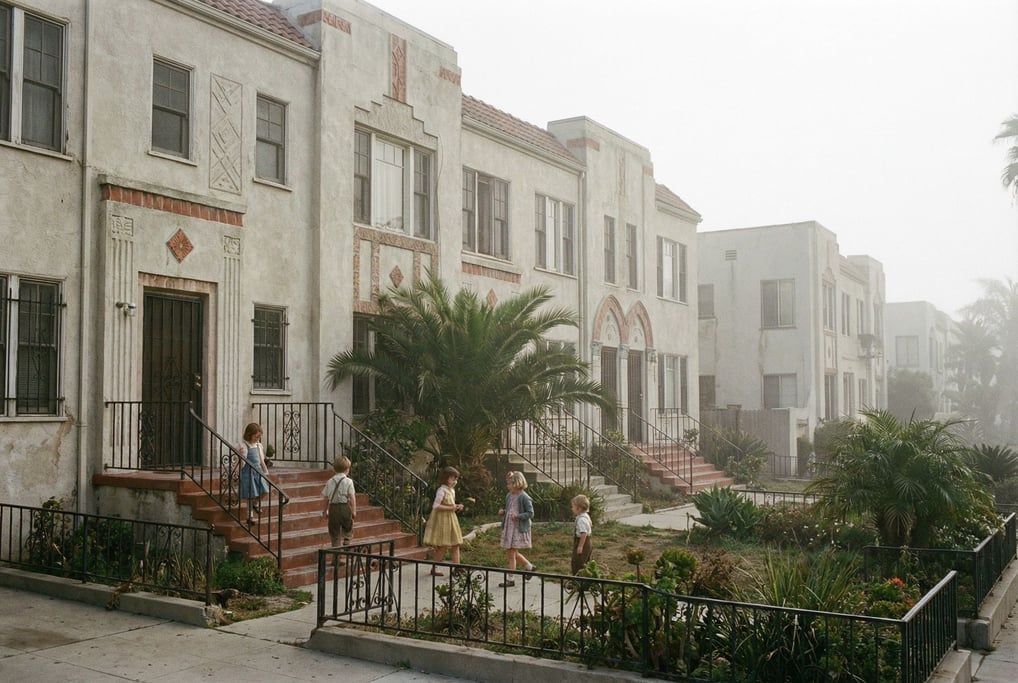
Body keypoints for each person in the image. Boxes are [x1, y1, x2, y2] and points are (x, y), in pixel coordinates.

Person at [422, 466, 464, 576]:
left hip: (451, 519)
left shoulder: (451, 490)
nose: (455, 481)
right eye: (452, 479)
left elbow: (451, 504)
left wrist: (456, 506)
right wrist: (451, 507)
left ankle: (457, 567)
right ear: (446, 478)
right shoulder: (441, 490)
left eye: (456, 479)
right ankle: (434, 567)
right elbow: (436, 505)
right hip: (443, 520)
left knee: (456, 543)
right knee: (444, 545)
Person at [498, 470, 535, 587]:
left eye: (510, 484)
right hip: (509, 528)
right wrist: (504, 512)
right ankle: (530, 567)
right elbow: (510, 509)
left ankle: (511, 579)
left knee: (511, 554)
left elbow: (530, 513)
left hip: (517, 529)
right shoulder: (509, 496)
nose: (508, 486)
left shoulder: (524, 497)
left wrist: (518, 516)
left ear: (517, 484)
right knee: (512, 552)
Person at [237, 422, 270, 525]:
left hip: (258, 471)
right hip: (248, 472)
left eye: (259, 437)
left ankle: (255, 503)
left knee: (265, 491)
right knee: (251, 495)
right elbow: (241, 460)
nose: (257, 439)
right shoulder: (244, 445)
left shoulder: (258, 445)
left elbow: (261, 460)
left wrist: (265, 472)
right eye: (256, 436)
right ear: (249, 434)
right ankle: (249, 517)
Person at [322, 456, 357, 549]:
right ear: (347, 470)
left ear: (334, 469)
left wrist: (325, 511)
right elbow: (352, 498)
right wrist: (354, 511)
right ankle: (347, 540)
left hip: (333, 508)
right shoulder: (349, 481)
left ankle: (336, 551)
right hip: (345, 507)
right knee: (348, 525)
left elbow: (326, 498)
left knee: (334, 529)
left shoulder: (329, 481)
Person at [571, 494, 593, 575]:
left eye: (573, 507)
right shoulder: (585, 516)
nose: (572, 509)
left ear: (579, 508)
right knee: (585, 561)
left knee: (578, 562)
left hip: (583, 542)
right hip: (588, 541)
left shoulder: (581, 520)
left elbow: (583, 533)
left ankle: (578, 578)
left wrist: (580, 546)